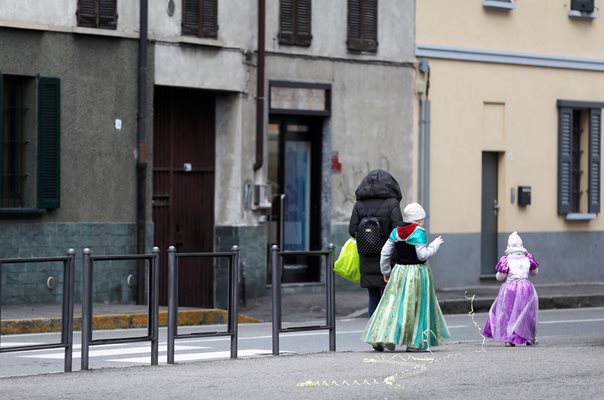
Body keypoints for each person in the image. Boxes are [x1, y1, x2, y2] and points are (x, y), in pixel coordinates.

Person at [362, 202, 449, 352]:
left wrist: (386, 272)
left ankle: (384, 336)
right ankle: (415, 343)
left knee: (392, 305)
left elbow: (385, 253)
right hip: (417, 273)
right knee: (416, 307)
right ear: (416, 220)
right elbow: (422, 256)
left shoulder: (396, 231)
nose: (423, 222)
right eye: (421, 219)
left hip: (399, 272)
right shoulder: (419, 232)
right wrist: (435, 244)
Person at [348, 169, 404, 318]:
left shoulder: (359, 204)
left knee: (373, 297)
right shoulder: (392, 203)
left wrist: (370, 238)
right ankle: (387, 333)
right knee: (389, 297)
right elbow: (399, 231)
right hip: (389, 257)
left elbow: (352, 230)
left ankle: (374, 336)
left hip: (367, 257)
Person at [483, 231, 540, 347]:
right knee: (527, 314)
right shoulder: (528, 258)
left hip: (510, 289)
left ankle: (510, 338)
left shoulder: (506, 260)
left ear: (509, 247)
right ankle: (529, 337)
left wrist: (498, 274)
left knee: (508, 313)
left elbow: (500, 277)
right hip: (526, 288)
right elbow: (534, 272)